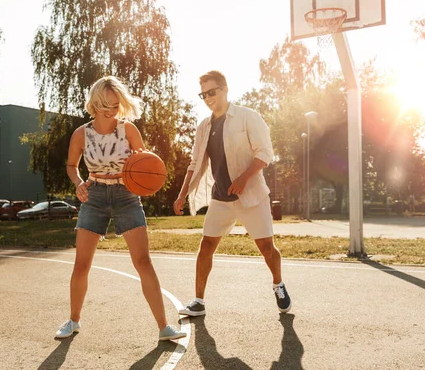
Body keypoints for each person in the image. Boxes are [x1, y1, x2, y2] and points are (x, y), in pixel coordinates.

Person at [56, 75, 186, 341]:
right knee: (81, 264)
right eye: (106, 104)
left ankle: (164, 327)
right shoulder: (81, 134)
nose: (111, 109)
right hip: (94, 196)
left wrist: (146, 173)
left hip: (126, 195)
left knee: (143, 261)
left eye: (115, 104)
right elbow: (71, 166)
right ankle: (73, 321)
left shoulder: (128, 130)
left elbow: (144, 164)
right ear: (94, 102)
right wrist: (79, 183)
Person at [173, 70, 291, 316]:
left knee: (267, 248)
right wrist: (182, 194)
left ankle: (278, 284)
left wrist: (243, 178)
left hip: (252, 196)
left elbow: (264, 153)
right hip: (220, 198)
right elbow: (195, 163)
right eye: (203, 94)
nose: (207, 98)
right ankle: (198, 301)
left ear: (225, 89)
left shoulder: (248, 117)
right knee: (206, 245)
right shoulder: (204, 126)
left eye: (211, 92)